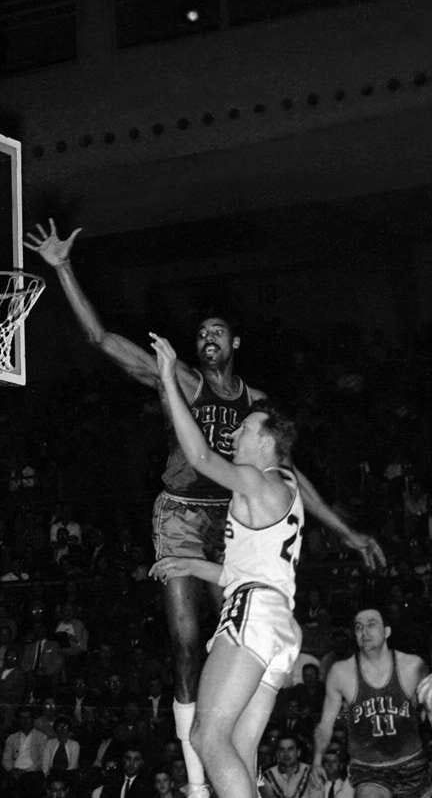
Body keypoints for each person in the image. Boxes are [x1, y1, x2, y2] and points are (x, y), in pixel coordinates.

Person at [24, 220, 385, 798]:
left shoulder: (259, 413)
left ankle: (216, 759)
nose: (207, 336)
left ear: (235, 343)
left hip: (235, 522)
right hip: (184, 515)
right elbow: (102, 342)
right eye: (202, 333)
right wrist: (64, 268)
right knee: (189, 645)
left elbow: (299, 480)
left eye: (218, 330)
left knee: (232, 641)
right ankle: (198, 785)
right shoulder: (187, 382)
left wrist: (345, 530)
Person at [147, 332, 306, 798]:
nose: (236, 432)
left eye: (246, 429)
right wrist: (189, 565)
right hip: (274, 618)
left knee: (206, 736)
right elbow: (243, 573)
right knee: (239, 746)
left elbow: (198, 456)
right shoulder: (281, 490)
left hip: (253, 616)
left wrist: (168, 381)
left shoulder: (259, 482)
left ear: (267, 443)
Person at [311, 607, 430, 797]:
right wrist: (317, 760)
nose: (364, 632)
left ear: (387, 631)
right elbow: (325, 725)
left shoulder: (412, 666)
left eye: (371, 625)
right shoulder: (341, 672)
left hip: (412, 765)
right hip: (368, 771)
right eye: (358, 627)